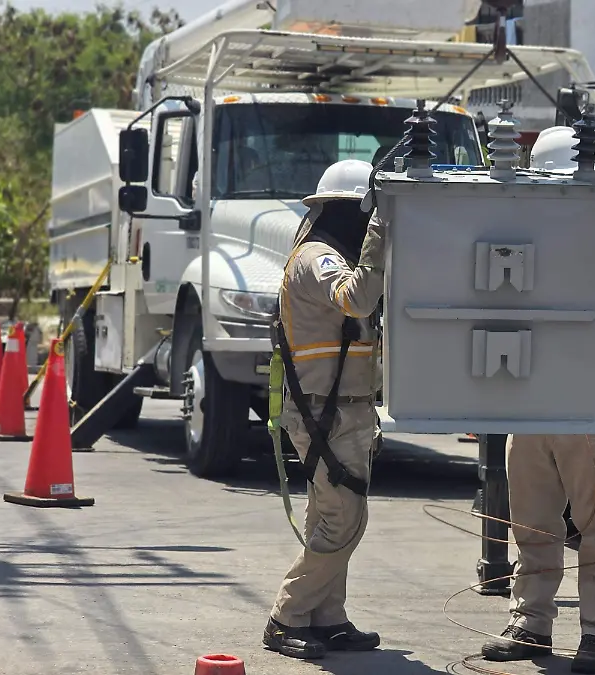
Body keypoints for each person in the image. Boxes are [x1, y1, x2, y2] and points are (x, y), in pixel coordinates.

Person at [480, 126, 595, 674]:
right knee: (531, 520)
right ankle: (531, 622)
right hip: (531, 402)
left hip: (590, 405)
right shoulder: (528, 240)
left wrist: (578, 315)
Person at [263, 158, 387, 660]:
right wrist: (381, 232)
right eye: (366, 214)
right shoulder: (318, 258)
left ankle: (328, 617)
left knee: (331, 518)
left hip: (342, 408)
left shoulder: (333, 253)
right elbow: (356, 301)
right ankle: (286, 616)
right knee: (343, 520)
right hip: (322, 412)